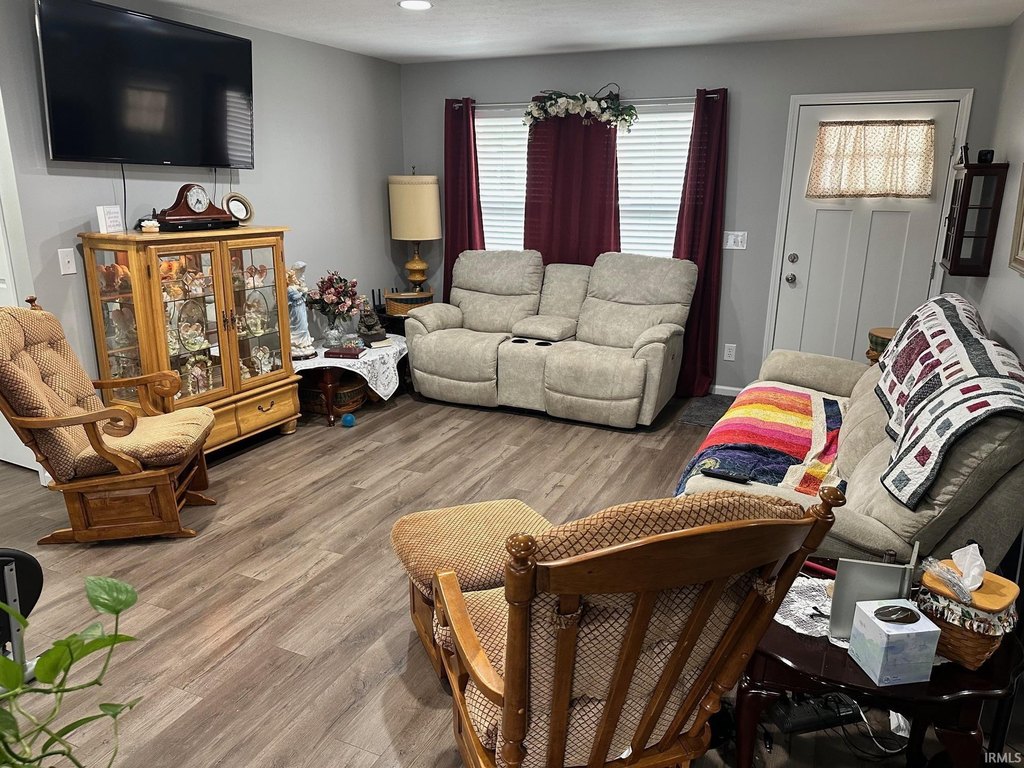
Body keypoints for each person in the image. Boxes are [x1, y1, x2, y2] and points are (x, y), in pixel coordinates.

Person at [286, 261, 317, 359]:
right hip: (295, 308)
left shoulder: (296, 285)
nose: (295, 278)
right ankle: (297, 343)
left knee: (304, 324)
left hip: (301, 306)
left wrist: (303, 292)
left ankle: (304, 343)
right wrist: (302, 292)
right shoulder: (290, 288)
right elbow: (295, 297)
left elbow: (303, 294)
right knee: (298, 323)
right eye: (293, 277)